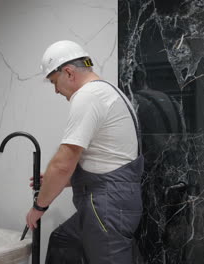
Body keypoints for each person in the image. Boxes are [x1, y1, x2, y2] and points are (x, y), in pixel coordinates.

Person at [26, 40, 143, 263]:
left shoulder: (89, 96)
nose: (56, 90)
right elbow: (108, 158)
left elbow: (62, 164)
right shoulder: (108, 91)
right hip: (114, 200)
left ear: (68, 72)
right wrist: (62, 181)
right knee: (63, 240)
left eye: (54, 82)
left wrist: (38, 207)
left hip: (107, 205)